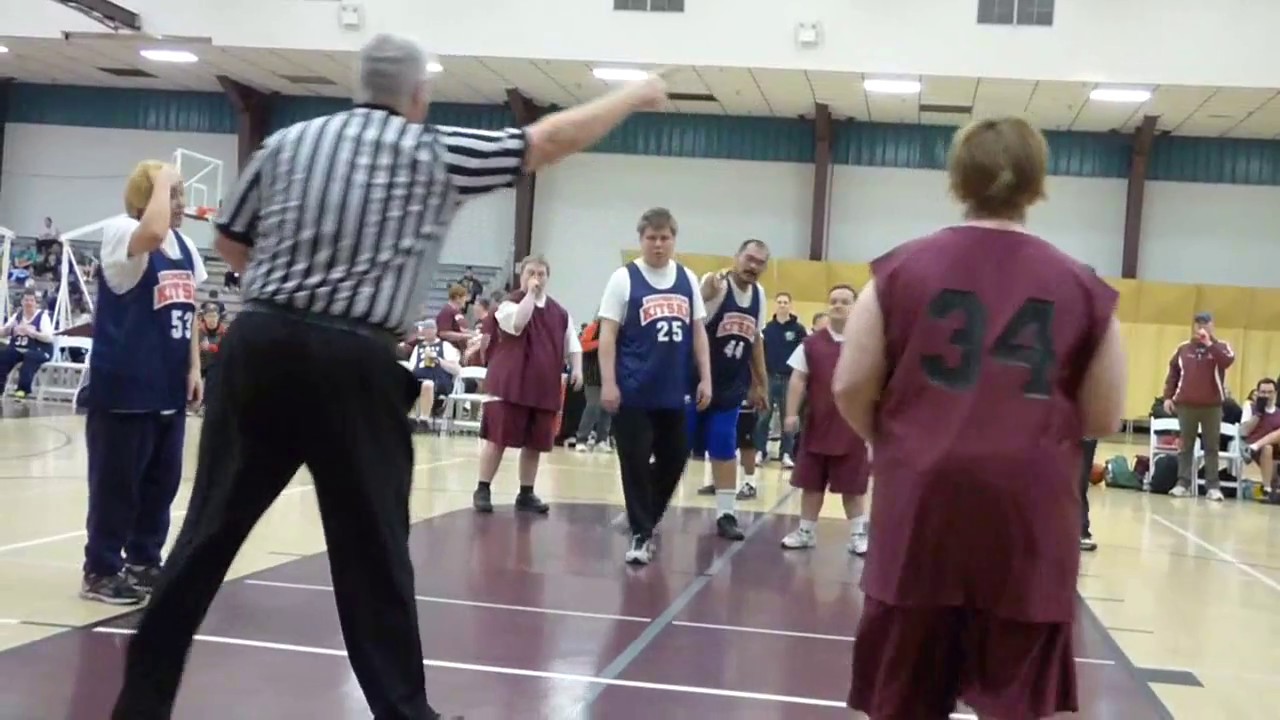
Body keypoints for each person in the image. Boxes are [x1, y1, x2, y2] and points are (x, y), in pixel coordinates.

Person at [109, 33, 670, 720]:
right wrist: (632, 95)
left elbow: (229, 239)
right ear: (419, 95)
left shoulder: (286, 144)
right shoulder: (431, 150)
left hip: (261, 346)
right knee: (372, 555)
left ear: (360, 86)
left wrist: (293, 297)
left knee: (203, 538)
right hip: (354, 361)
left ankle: (138, 706)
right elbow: (545, 140)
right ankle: (405, 713)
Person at [833, 116, 1126, 719]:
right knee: (1016, 703)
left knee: (904, 697)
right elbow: (1104, 414)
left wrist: (890, 440)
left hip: (922, 505)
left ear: (957, 178)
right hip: (1028, 514)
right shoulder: (1083, 286)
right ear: (1037, 184)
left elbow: (851, 384)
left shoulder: (897, 271)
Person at [83, 161, 206, 605]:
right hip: (126, 385)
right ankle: (100, 569)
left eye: (180, 194)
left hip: (168, 384)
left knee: (161, 484)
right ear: (147, 196)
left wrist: (194, 367)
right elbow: (151, 232)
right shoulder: (122, 231)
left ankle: (143, 561)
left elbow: (189, 308)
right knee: (117, 485)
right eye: (173, 194)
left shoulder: (185, 246)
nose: (181, 203)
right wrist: (162, 176)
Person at [599, 207, 711, 565]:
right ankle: (641, 533)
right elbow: (607, 335)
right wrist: (608, 383)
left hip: (675, 390)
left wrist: (706, 377)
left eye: (665, 238)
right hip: (633, 390)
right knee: (634, 461)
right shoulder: (624, 278)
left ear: (674, 240)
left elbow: (698, 331)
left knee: (674, 459)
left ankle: (641, 514)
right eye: (652, 238)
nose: (658, 244)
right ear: (641, 240)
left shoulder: (687, 278)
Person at [473, 254, 582, 514]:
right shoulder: (508, 305)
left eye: (541, 274)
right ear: (521, 276)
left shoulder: (560, 313)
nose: (536, 278)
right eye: (530, 273)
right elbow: (519, 323)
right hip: (510, 385)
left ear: (548, 278)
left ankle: (526, 492)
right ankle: (483, 488)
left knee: (535, 443)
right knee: (497, 439)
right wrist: (530, 295)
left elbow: (573, 343)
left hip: (542, 387)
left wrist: (577, 368)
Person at [777, 284, 871, 555]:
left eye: (844, 301)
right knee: (811, 484)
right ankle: (805, 532)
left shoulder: (868, 343)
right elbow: (798, 379)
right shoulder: (811, 344)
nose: (838, 305)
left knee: (853, 487)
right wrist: (791, 413)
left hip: (853, 428)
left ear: (855, 306)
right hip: (817, 425)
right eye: (833, 301)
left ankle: (858, 535)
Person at [689, 240, 769, 539]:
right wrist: (704, 292)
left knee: (725, 446)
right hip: (695, 382)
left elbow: (755, 341)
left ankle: (726, 514)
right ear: (736, 258)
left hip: (730, 386)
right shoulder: (717, 285)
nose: (753, 266)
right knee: (673, 448)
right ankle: (649, 507)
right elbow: (694, 317)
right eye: (749, 259)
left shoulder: (759, 295)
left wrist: (761, 383)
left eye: (760, 262)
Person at [1162, 311, 1234, 501]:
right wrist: (1168, 397)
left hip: (1212, 406)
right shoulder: (1183, 348)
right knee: (1185, 445)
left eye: (1205, 323)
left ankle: (1213, 486)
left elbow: (1226, 361)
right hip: (1186, 404)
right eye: (1198, 323)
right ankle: (1182, 484)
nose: (1201, 327)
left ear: (1212, 326)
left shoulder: (1221, 347)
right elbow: (1173, 373)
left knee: (1211, 446)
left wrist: (1209, 344)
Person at [756, 291, 806, 467]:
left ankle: (786, 453)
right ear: (775, 305)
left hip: (789, 379)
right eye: (780, 302)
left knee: (788, 417)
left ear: (790, 305)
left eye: (785, 302)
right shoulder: (767, 329)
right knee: (763, 416)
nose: (783, 305)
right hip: (769, 377)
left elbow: (803, 354)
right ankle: (760, 451)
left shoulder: (798, 330)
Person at [0, 289, 55, 399]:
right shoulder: (17, 316)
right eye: (26, 300)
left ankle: (22, 390)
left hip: (40, 349)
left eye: (31, 300)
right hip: (19, 348)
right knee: (4, 355)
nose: (29, 303)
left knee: (29, 357)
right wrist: (11, 329)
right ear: (22, 302)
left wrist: (33, 333)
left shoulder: (43, 316)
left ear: (36, 303)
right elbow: (3, 332)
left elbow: (49, 338)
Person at [571, 315, 613, 452]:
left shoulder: (616, 330)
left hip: (608, 375)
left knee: (608, 408)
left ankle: (602, 440)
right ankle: (581, 439)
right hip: (592, 374)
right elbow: (583, 345)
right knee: (593, 405)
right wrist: (603, 342)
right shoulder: (592, 328)